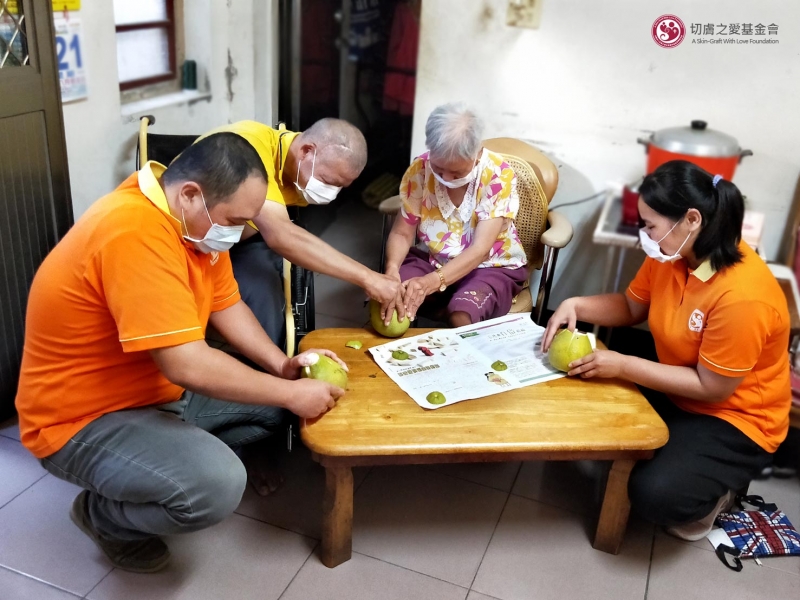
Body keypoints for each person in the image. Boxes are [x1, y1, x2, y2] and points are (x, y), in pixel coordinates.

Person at [15, 133, 346, 573]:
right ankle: (102, 517)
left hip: (155, 393)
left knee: (275, 407)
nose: (239, 233)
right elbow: (185, 363)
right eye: (235, 220)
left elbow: (227, 305)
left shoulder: (194, 226)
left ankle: (163, 459)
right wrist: (289, 393)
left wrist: (282, 367)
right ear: (190, 194)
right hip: (81, 418)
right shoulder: (133, 232)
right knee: (217, 486)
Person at [542, 160, 791, 541]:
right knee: (582, 407)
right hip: (677, 385)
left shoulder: (744, 296)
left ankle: (724, 492)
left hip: (734, 417)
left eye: (650, 225)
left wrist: (623, 365)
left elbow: (712, 387)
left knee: (654, 495)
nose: (644, 234)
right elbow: (631, 307)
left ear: (691, 219)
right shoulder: (674, 254)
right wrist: (575, 304)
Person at [198, 119, 401, 343]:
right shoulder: (246, 149)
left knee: (269, 289)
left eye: (339, 187)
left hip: (238, 241)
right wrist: (368, 278)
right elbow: (282, 236)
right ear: (306, 151)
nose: (331, 193)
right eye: (326, 181)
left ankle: (276, 358)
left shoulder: (297, 166)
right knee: (259, 285)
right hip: (196, 241)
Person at [382, 103, 528, 327]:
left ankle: (453, 308)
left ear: (477, 153)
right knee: (391, 296)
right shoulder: (420, 170)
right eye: (439, 169)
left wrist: (431, 282)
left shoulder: (498, 175)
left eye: (457, 172)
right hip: (433, 260)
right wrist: (392, 270)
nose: (446, 179)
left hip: (488, 266)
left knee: (462, 315)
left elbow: (480, 250)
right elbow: (402, 233)